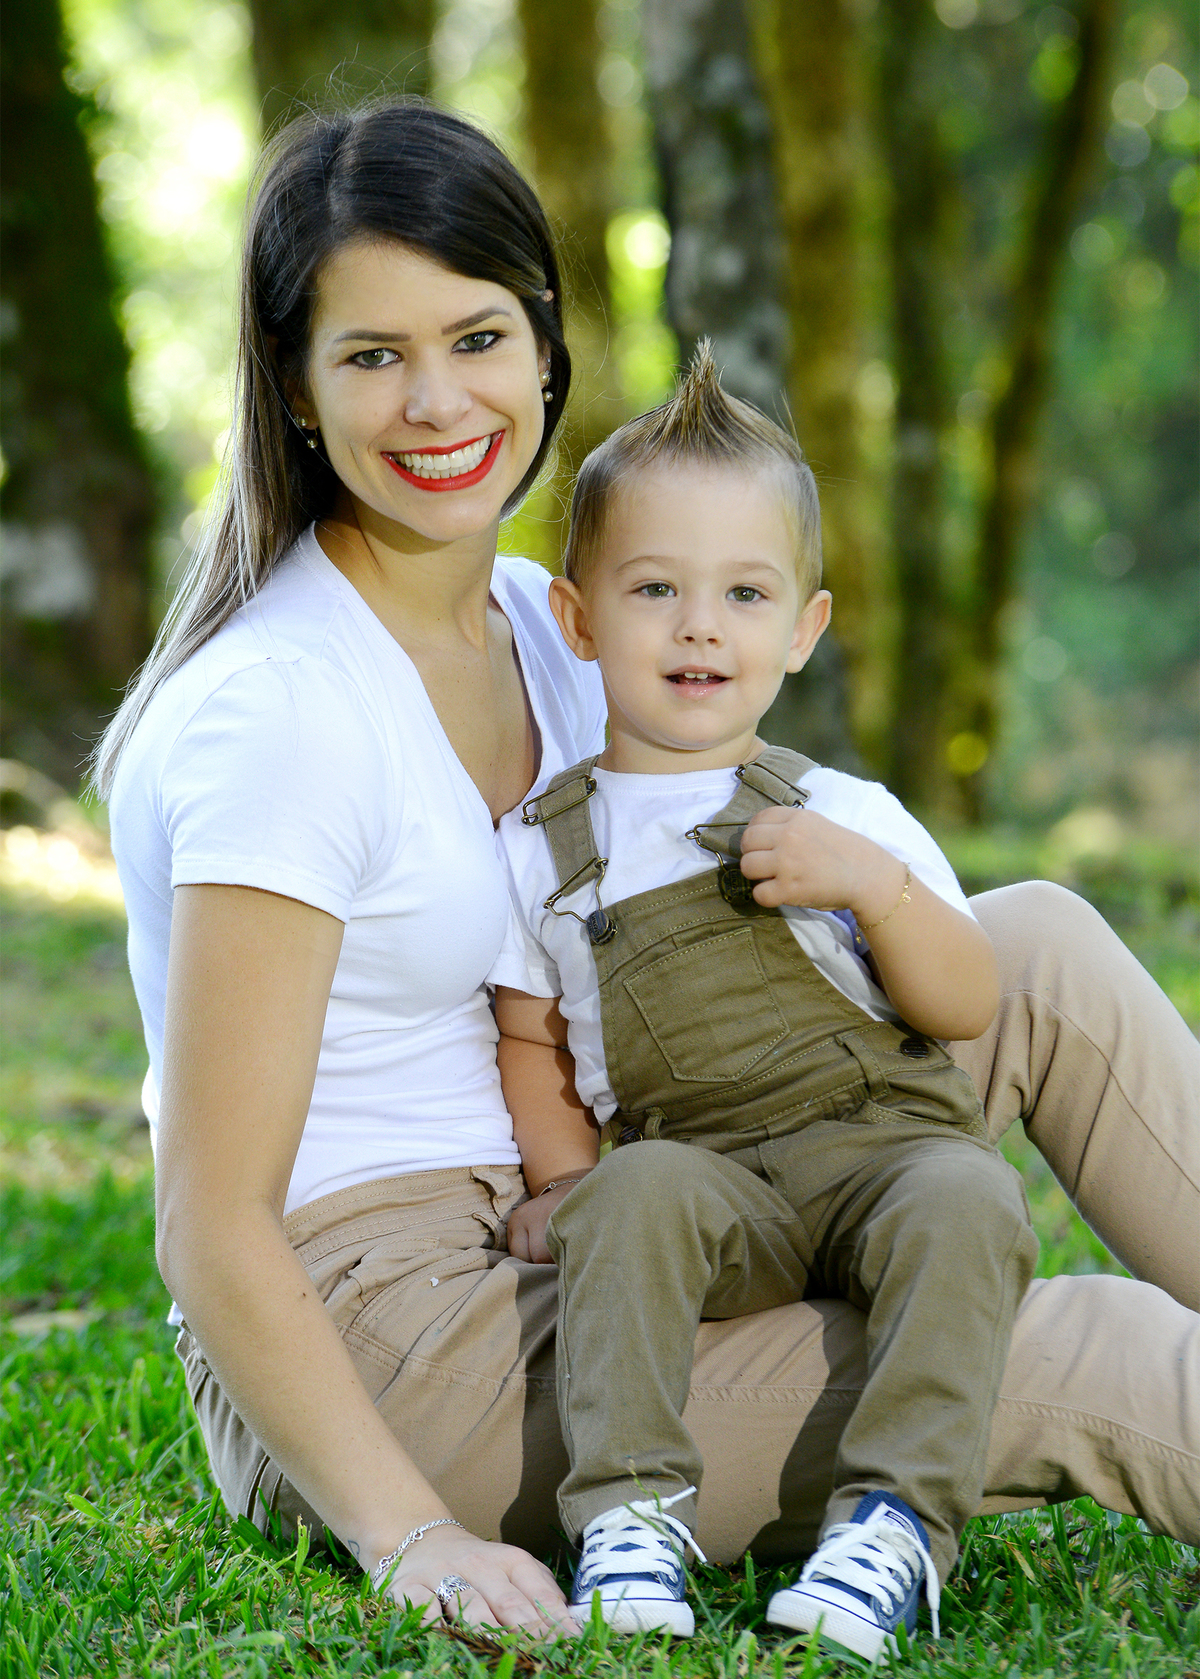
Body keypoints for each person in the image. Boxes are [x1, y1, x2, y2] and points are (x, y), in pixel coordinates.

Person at [95, 100, 1199, 1640]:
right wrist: (412, 1536)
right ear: (293, 385)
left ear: (547, 346)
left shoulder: (554, 634)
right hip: (403, 1338)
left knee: (1042, 949)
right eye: (372, 355)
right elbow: (212, 1224)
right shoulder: (280, 715)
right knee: (1097, 1353)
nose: (436, 401)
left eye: (478, 337)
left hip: (639, 1198)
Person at [490, 346, 1042, 1655]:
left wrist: (876, 891)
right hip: (710, 1178)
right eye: (655, 589)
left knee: (970, 1200)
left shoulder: (843, 811)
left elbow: (967, 1000)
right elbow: (531, 1034)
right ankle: (629, 1517)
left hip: (882, 1152)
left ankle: (893, 1525)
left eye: (745, 593)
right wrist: (562, 1177)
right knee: (630, 1195)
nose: (700, 626)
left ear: (803, 628)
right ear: (576, 618)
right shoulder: (544, 849)